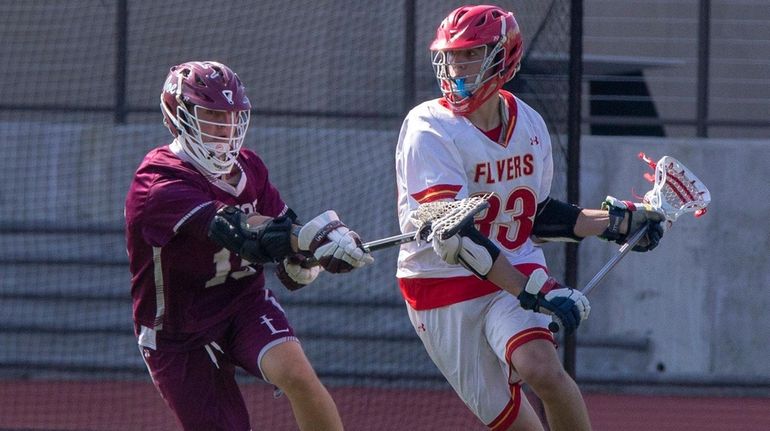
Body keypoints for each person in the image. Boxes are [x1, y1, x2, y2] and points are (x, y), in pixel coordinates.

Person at [395, 5, 665, 431]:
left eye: (471, 54)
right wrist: (538, 292)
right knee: (516, 425)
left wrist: (616, 223)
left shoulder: (530, 124)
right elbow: (457, 240)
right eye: (451, 55)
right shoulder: (429, 127)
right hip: (440, 284)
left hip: (511, 267)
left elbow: (534, 215)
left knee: (544, 371)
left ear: (504, 56)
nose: (456, 66)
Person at [125, 60, 373, 431]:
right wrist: (305, 237)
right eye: (211, 115)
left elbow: (284, 229)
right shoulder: (158, 180)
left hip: (243, 303)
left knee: (297, 375)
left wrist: (314, 253)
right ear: (179, 114)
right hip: (179, 331)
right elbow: (238, 230)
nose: (225, 129)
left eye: (230, 117)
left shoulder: (249, 167)